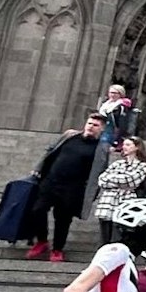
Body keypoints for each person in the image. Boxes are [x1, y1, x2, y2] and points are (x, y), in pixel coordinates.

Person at [23, 112, 105, 262]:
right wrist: (39, 168)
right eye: (89, 123)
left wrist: (90, 195)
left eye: (96, 125)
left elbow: (99, 174)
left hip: (72, 188)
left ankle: (57, 249)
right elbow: (51, 151)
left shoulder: (100, 149)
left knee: (63, 219)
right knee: (37, 210)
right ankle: (42, 241)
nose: (91, 127)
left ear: (102, 129)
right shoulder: (70, 136)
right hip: (50, 182)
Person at [92, 137, 146, 246]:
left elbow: (131, 180)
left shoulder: (142, 166)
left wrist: (113, 179)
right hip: (107, 202)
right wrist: (120, 181)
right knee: (104, 236)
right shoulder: (117, 164)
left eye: (128, 145)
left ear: (137, 147)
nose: (124, 147)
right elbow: (102, 179)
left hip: (125, 201)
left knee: (119, 235)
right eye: (124, 144)